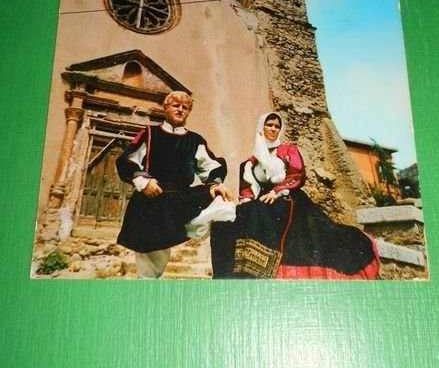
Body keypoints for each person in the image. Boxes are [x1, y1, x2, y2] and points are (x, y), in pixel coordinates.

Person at [211, 112, 379, 279]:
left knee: (271, 212)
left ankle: (271, 269)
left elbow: (296, 175)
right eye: (269, 125)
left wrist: (276, 191)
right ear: (261, 127)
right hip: (263, 199)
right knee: (236, 217)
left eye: (277, 126)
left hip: (287, 196)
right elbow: (247, 188)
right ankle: (236, 271)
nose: (273, 129)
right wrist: (247, 201)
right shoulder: (251, 161)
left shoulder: (288, 150)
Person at [116, 91, 235, 279]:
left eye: (184, 107)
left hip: (181, 200)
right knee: (151, 259)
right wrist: (143, 181)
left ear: (188, 112)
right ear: (165, 108)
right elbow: (126, 161)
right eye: (175, 105)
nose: (180, 109)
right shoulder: (149, 134)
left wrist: (214, 184)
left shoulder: (195, 140)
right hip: (152, 199)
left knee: (224, 206)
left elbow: (211, 165)